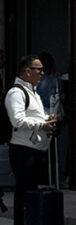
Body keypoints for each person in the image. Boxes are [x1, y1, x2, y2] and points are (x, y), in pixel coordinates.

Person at [5, 54, 56, 225]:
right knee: (23, 193)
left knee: (31, 193)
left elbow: (33, 116)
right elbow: (17, 120)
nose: (42, 73)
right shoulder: (16, 93)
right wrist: (42, 124)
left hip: (35, 150)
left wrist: (46, 119)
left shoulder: (33, 92)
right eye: (39, 70)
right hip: (23, 151)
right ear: (27, 71)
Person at [37, 51, 67, 183]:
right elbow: (61, 97)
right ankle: (53, 176)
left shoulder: (36, 80)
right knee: (53, 147)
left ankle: (42, 176)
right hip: (53, 115)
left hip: (39, 115)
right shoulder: (55, 78)